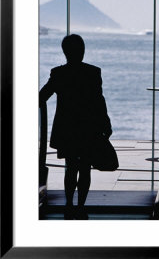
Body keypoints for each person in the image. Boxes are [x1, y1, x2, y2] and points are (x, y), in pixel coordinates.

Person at [39, 34, 112, 220]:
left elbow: (42, 96)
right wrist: (106, 123)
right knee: (85, 168)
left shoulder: (58, 73)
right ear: (82, 51)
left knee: (70, 167)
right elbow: (99, 101)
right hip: (88, 127)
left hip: (67, 128)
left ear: (65, 52)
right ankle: (80, 205)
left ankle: (69, 204)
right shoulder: (93, 72)